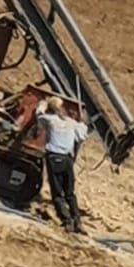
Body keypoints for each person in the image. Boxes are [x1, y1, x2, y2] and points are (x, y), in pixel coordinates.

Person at [34, 94, 89, 233]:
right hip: (67, 161)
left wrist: (43, 103)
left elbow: (38, 114)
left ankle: (67, 221)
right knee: (70, 193)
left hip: (54, 158)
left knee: (57, 193)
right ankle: (77, 221)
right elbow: (82, 134)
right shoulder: (71, 122)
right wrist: (82, 120)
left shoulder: (49, 120)